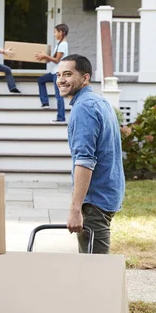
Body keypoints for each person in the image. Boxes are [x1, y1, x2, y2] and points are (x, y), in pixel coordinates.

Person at [55, 54, 125, 254]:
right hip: (107, 195)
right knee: (95, 270)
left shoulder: (84, 108)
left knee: (95, 271)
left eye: (68, 74)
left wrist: (75, 209)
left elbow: (85, 161)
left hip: (95, 200)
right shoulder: (98, 101)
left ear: (85, 78)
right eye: (59, 75)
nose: (61, 80)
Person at [35, 24, 69, 121]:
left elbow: (57, 60)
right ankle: (45, 102)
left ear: (61, 32)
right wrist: (44, 57)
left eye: (55, 32)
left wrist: (45, 56)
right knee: (41, 80)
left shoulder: (63, 45)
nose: (54, 34)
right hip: (54, 72)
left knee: (59, 95)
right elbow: (53, 59)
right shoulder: (59, 44)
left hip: (58, 73)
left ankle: (61, 117)